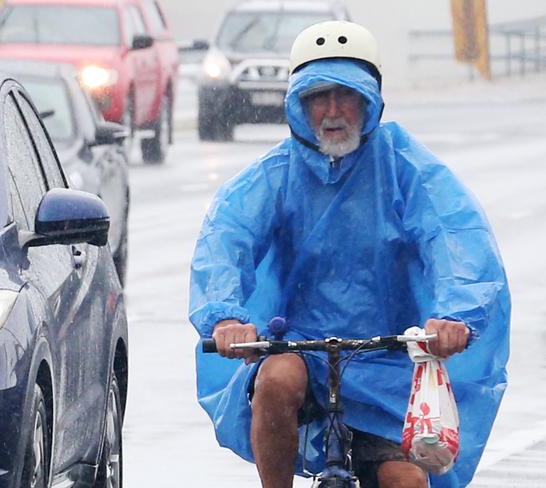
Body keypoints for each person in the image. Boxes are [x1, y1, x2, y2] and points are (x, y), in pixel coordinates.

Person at [189, 20, 510, 488]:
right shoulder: (274, 175)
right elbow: (225, 240)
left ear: (372, 100)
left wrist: (456, 316)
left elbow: (455, 237)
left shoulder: (407, 169)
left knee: (407, 482)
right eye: (318, 96)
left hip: (392, 361)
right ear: (298, 104)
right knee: (275, 383)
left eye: (347, 94)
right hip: (300, 348)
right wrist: (223, 319)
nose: (333, 110)